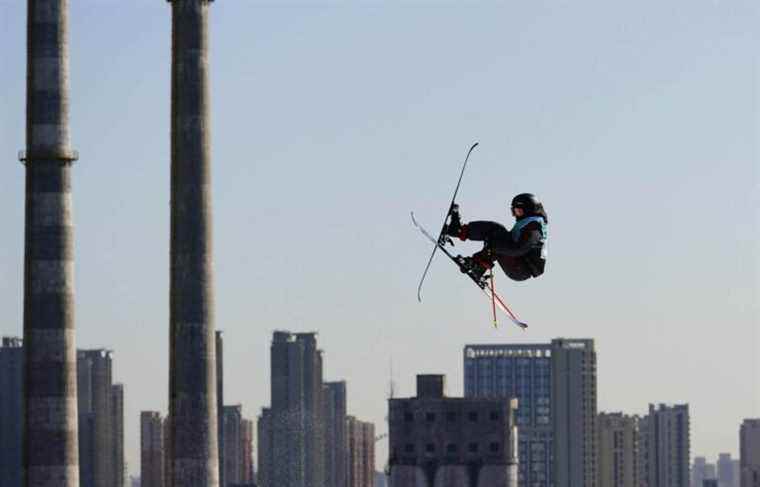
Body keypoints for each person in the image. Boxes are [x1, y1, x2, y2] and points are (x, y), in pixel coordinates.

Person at [444, 193, 548, 283]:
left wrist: (495, 244)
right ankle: (458, 230)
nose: (516, 215)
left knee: (497, 242)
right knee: (496, 229)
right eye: (514, 211)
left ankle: (476, 266)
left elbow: (519, 249)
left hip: (521, 269)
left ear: (529, 210)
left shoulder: (534, 228)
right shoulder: (529, 222)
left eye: (519, 211)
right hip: (517, 262)